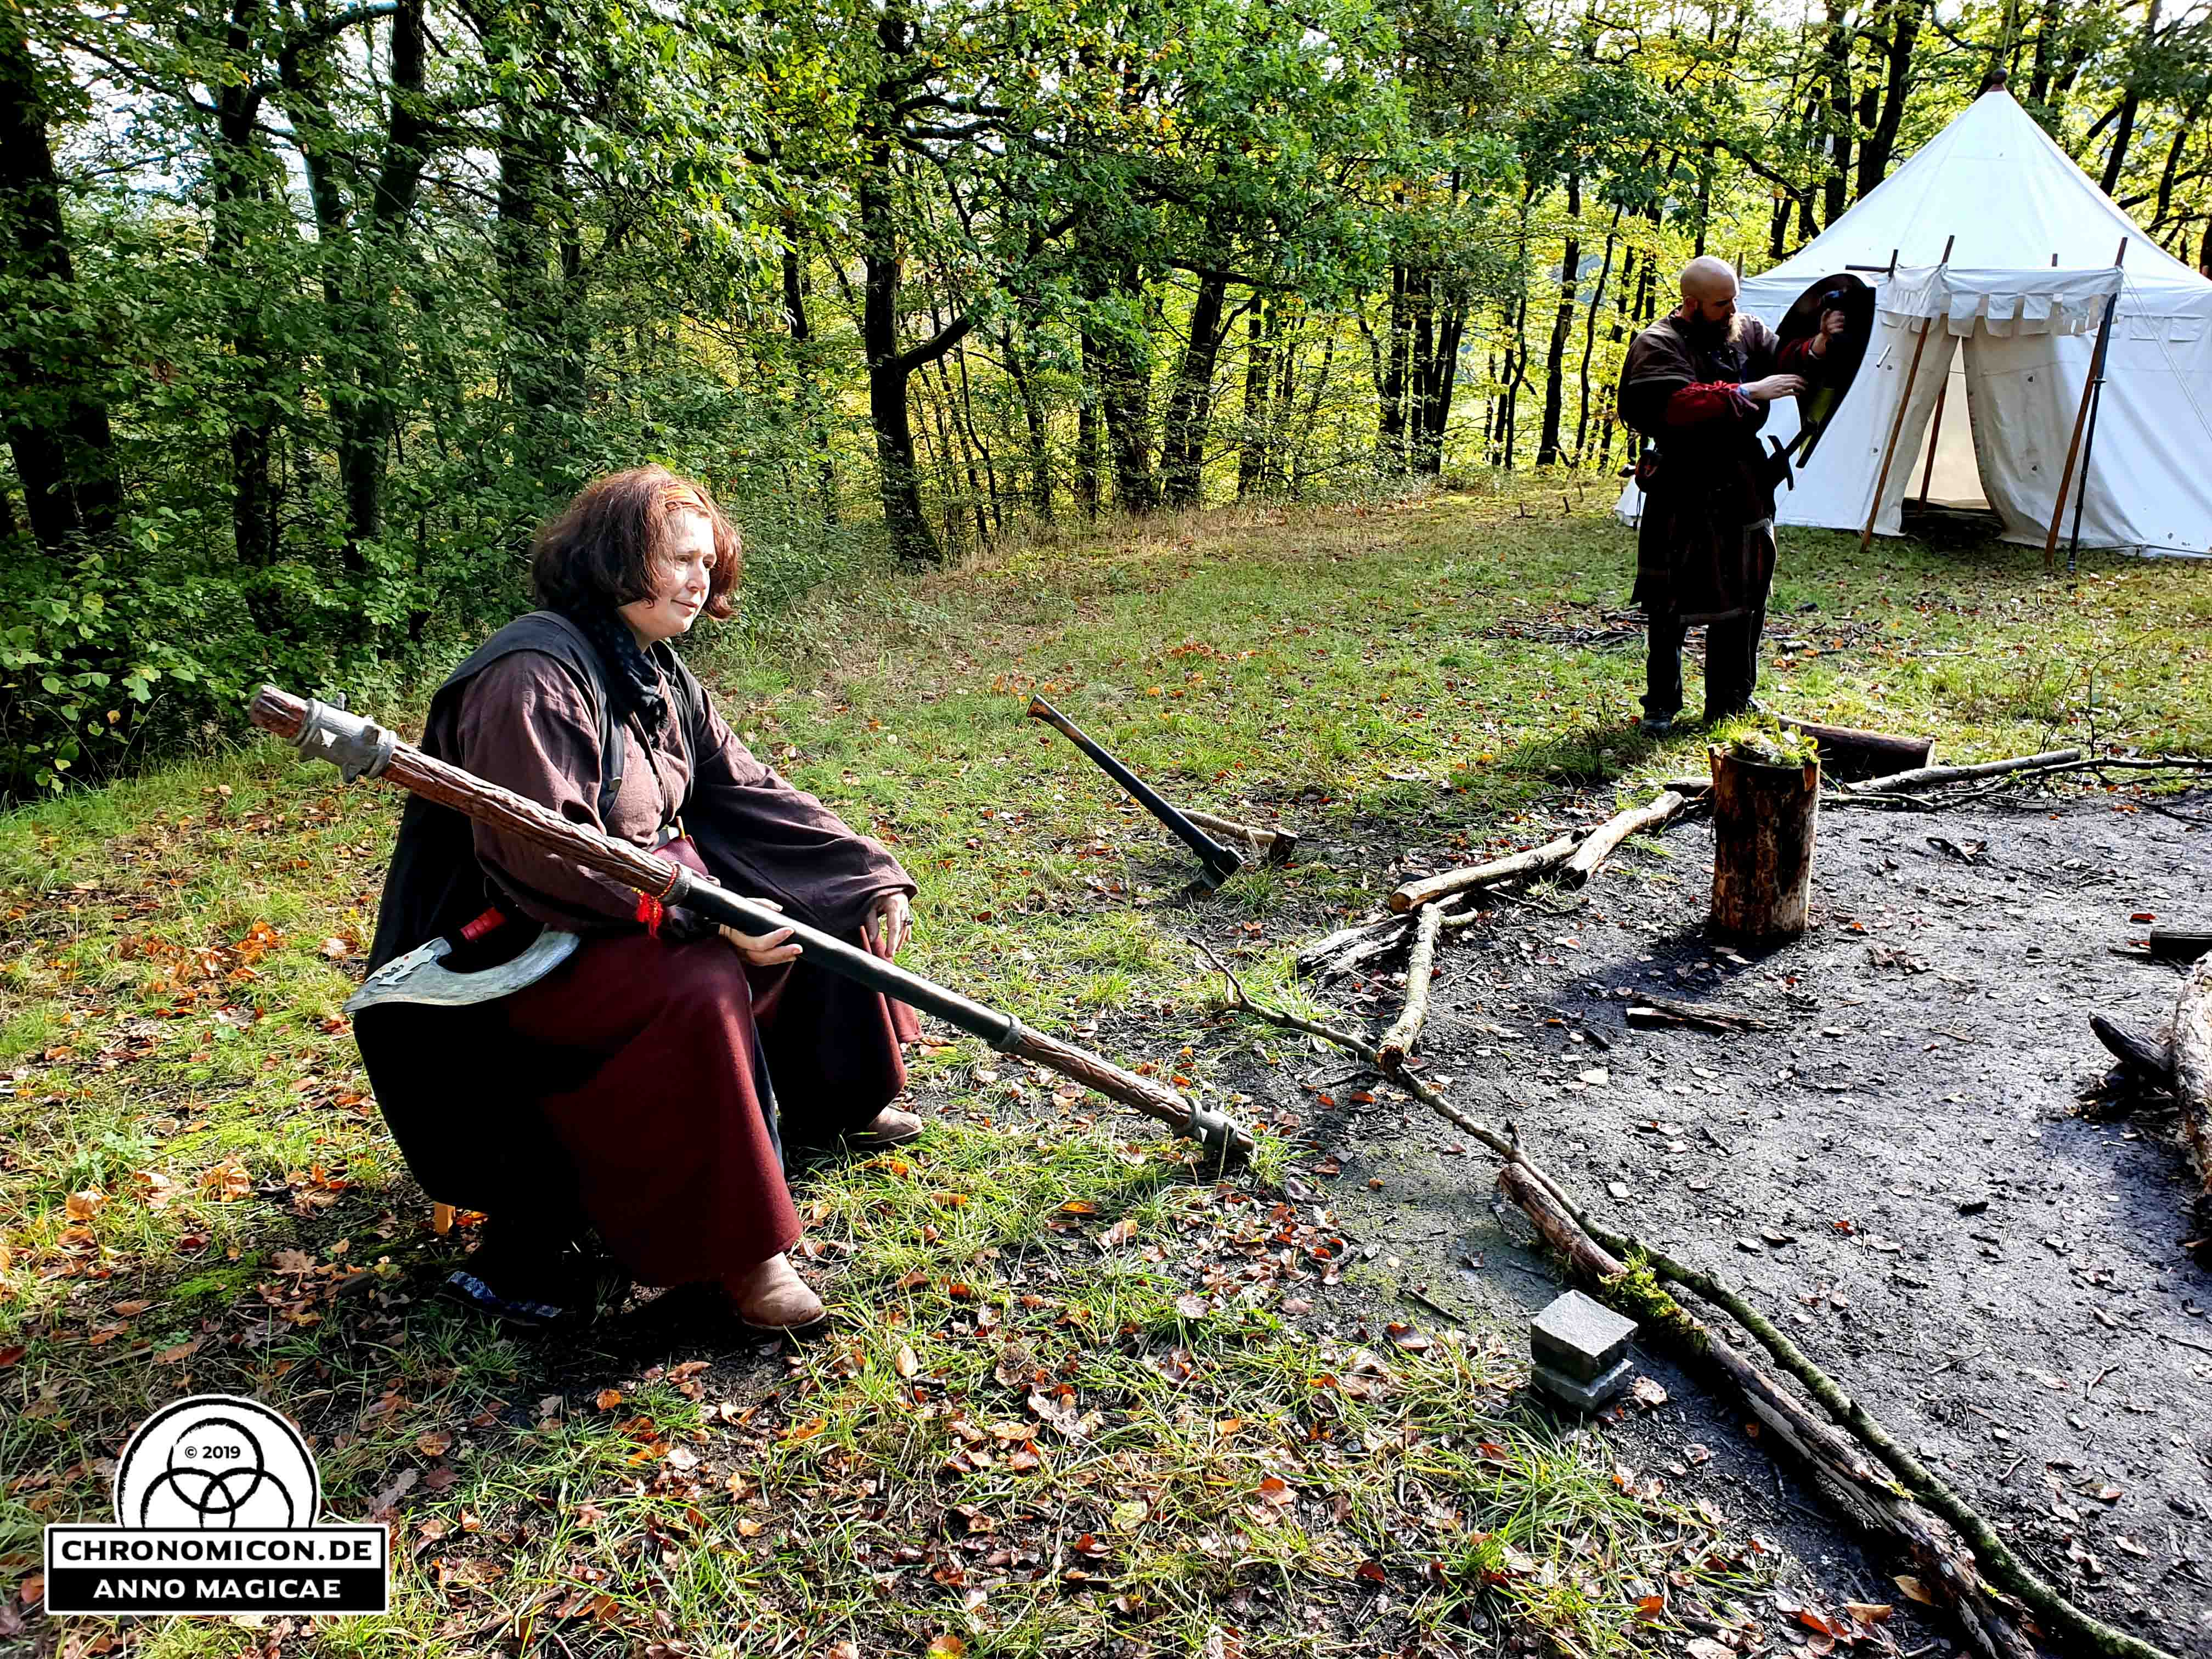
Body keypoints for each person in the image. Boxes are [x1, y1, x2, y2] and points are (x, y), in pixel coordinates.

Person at [352, 466, 921, 1331]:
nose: (700, 580)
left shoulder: (655, 670)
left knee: (808, 899)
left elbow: (744, 789)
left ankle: (836, 1097)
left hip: (636, 908)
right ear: (615, 558)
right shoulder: (530, 677)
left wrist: (864, 868)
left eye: (707, 562)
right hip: (522, 948)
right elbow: (545, 854)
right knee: (700, 982)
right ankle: (741, 1253)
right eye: (680, 560)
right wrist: (704, 917)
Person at [1617, 256, 1846, 734]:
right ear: (1692, 303)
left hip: (1743, 480)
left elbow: (1786, 359)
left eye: (1734, 299)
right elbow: (1676, 405)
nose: (1732, 309)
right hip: (1683, 481)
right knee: (1670, 600)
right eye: (1722, 303)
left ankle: (1731, 698)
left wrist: (1820, 344)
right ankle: (1661, 704)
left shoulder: (1746, 330)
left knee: (1746, 594)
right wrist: (1749, 392)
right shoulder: (1657, 343)